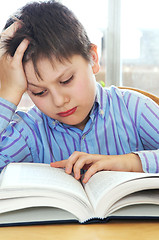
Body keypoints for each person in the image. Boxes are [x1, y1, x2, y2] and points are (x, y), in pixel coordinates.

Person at [0, 1, 159, 184]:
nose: (59, 101)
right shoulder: (29, 131)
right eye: (39, 92)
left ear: (92, 58)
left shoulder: (134, 109)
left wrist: (130, 162)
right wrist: (8, 92)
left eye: (66, 80)